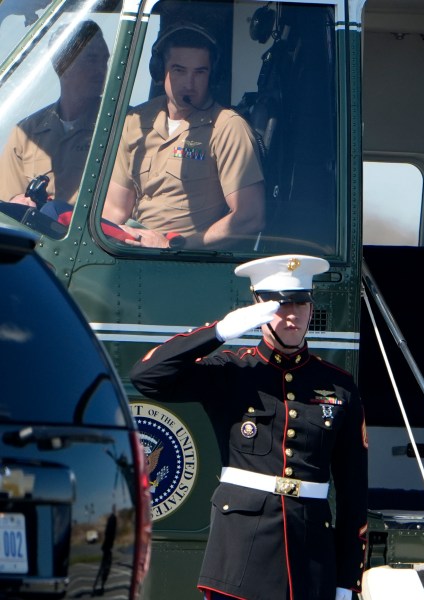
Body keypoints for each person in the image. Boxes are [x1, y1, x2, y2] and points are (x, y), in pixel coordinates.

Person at [130, 254, 368, 600]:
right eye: (279, 304)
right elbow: (147, 377)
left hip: (311, 559)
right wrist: (219, 332)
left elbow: (353, 491)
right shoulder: (232, 372)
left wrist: (347, 580)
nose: (292, 314)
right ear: (258, 305)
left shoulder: (339, 386)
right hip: (241, 556)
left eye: (300, 302)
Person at [103, 23, 265, 249]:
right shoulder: (136, 122)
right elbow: (116, 209)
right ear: (161, 72)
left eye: (200, 72)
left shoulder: (228, 128)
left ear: (212, 75)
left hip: (186, 261)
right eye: (179, 70)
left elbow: (250, 216)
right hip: (130, 253)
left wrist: (176, 246)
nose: (189, 84)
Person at [0, 20, 109, 207]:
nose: (102, 70)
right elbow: (8, 209)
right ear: (62, 64)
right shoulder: (26, 134)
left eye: (105, 60)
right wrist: (18, 203)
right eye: (91, 59)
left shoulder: (119, 127)